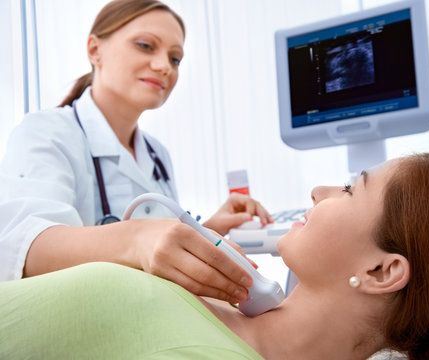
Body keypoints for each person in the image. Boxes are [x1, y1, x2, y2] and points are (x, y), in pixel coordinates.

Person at [0, 152, 429, 360]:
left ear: (382, 270)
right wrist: (131, 239)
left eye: (350, 189)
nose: (317, 191)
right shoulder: (231, 303)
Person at [0, 0, 274, 305]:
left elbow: (158, 254)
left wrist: (209, 229)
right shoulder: (45, 132)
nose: (164, 67)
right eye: (146, 46)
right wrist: (137, 238)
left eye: (175, 58)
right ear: (94, 50)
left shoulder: (158, 154)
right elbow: (26, 249)